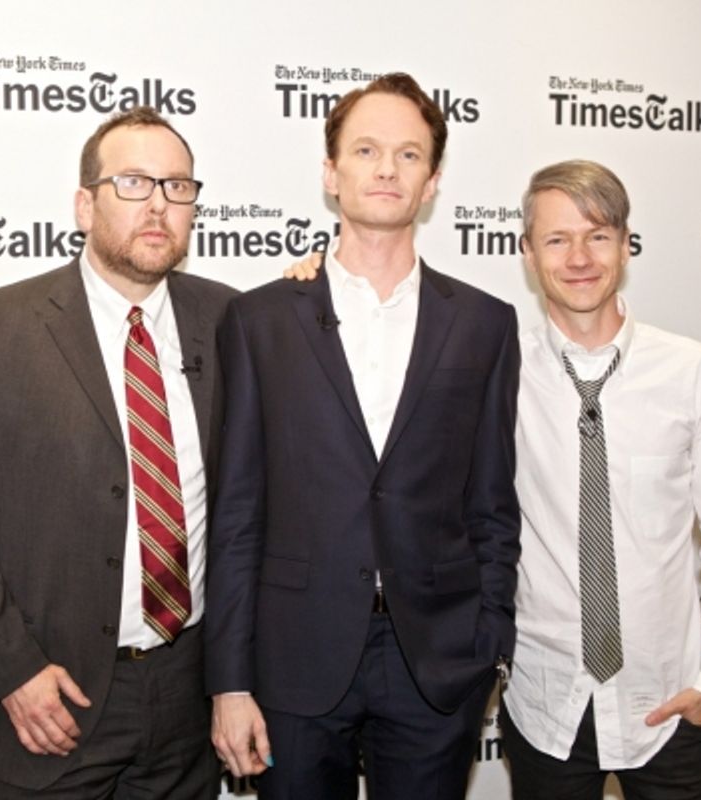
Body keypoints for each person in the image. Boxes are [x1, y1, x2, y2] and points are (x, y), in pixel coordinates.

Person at [205, 72, 521, 799]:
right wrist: (229, 681)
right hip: (292, 659)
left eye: (409, 156)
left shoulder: (484, 323)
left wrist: (489, 645)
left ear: (433, 181)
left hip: (435, 664)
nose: (387, 169)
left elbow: (492, 507)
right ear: (330, 172)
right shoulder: (260, 322)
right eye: (367, 150)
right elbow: (236, 515)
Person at [0, 106, 236, 799]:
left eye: (177, 187)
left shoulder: (230, 322)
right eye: (133, 183)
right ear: (83, 204)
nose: (158, 205)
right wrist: (9, 672)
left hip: (189, 693)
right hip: (49, 700)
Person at [499, 159, 701, 799]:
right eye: (556, 239)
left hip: (670, 704)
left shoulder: (693, 371)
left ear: (625, 244)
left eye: (597, 234)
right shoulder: (498, 372)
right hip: (544, 704)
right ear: (528, 256)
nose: (579, 257)